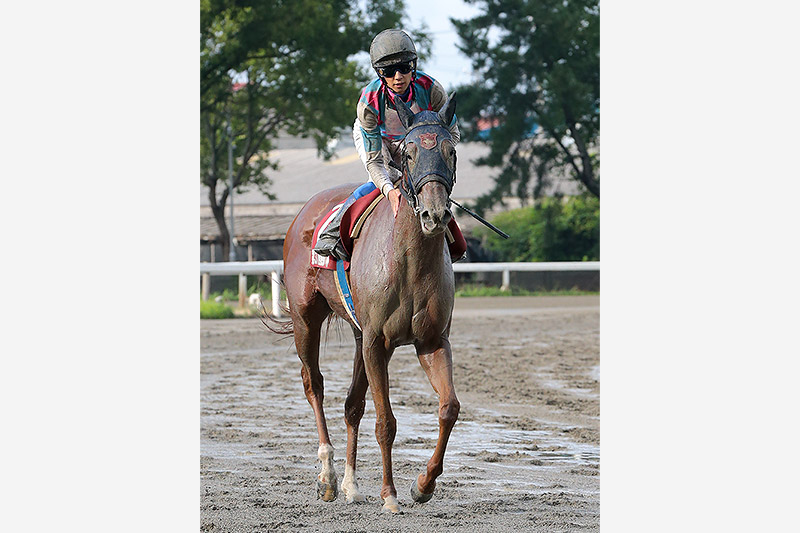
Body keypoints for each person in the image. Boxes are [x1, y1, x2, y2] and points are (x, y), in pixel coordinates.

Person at [314, 28, 460, 261]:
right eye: (389, 71)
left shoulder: (432, 90)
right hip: (377, 137)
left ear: (413, 66)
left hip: (416, 138)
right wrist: (390, 192)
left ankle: (454, 239)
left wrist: (430, 159)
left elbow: (451, 135)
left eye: (404, 68)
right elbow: (374, 162)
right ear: (380, 74)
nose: (398, 77)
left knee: (426, 180)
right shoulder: (369, 103)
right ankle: (334, 227)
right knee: (384, 181)